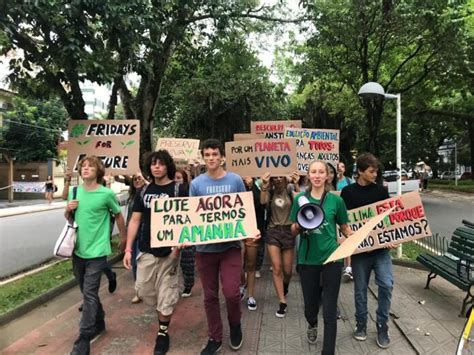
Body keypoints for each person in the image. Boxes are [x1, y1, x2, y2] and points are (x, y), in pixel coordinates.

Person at [189, 139, 250, 354]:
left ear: (222, 156)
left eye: (215, 154)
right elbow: (191, 216)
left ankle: (235, 325)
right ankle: (215, 337)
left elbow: (245, 210)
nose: (211, 158)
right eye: (207, 155)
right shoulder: (196, 184)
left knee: (232, 294)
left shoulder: (235, 180)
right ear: (203, 157)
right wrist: (186, 236)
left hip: (230, 248)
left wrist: (252, 230)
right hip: (204, 250)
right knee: (210, 296)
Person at [123, 150, 187, 355]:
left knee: (166, 294)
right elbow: (135, 220)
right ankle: (163, 305)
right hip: (147, 250)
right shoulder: (144, 191)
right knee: (142, 289)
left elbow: (188, 218)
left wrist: (179, 246)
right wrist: (128, 248)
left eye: (160, 164)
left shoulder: (179, 189)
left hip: (171, 252)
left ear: (168, 166)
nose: (156, 167)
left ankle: (162, 332)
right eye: (153, 164)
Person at [65, 156, 127, 355]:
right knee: (86, 291)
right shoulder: (75, 192)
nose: (85, 169)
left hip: (98, 251)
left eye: (90, 166)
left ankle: (84, 338)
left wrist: (124, 240)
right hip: (78, 250)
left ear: (98, 171)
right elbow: (69, 218)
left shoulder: (106, 193)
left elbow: (118, 215)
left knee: (89, 293)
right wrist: (68, 210)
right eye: (83, 166)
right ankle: (99, 321)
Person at [290, 160, 352, 353]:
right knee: (310, 306)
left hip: (332, 259)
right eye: (313, 172)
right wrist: (300, 225)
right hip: (308, 260)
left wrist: (364, 239)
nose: (317, 176)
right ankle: (311, 323)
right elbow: (292, 230)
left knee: (330, 310)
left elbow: (344, 227)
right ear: (308, 175)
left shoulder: (336, 201)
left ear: (327, 176)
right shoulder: (299, 199)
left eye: (321, 172)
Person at [340, 153, 396, 349]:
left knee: (387, 285)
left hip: (380, 250)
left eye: (376, 171)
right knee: (360, 291)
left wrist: (392, 238)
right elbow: (343, 220)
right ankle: (361, 324)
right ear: (361, 171)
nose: (375, 174)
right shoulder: (348, 192)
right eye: (372, 171)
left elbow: (389, 219)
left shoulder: (381, 191)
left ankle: (382, 325)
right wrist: (346, 233)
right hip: (359, 252)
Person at [260, 171, 300, 318]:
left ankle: (285, 286)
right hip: (273, 231)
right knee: (277, 268)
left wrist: (296, 184)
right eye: (275, 177)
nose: (277, 179)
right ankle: (282, 302)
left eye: (280, 176)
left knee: (288, 271)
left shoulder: (290, 190)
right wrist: (264, 185)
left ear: (284, 177)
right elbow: (263, 202)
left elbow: (301, 201)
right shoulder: (269, 191)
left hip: (289, 231)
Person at [241, 176, 265, 311]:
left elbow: (260, 204)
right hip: (235, 230)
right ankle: (241, 284)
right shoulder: (232, 181)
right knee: (237, 264)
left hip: (252, 229)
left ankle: (250, 295)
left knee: (251, 264)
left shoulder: (259, 185)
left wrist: (252, 187)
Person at [127, 172, 147, 304]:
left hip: (146, 234)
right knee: (135, 264)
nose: (137, 181)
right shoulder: (131, 197)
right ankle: (138, 292)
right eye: (135, 179)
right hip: (134, 234)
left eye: (140, 178)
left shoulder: (148, 194)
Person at [174, 168, 195, 297]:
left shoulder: (189, 191)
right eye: (174, 178)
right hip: (172, 230)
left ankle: (188, 285)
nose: (177, 181)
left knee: (187, 261)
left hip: (187, 230)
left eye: (179, 178)